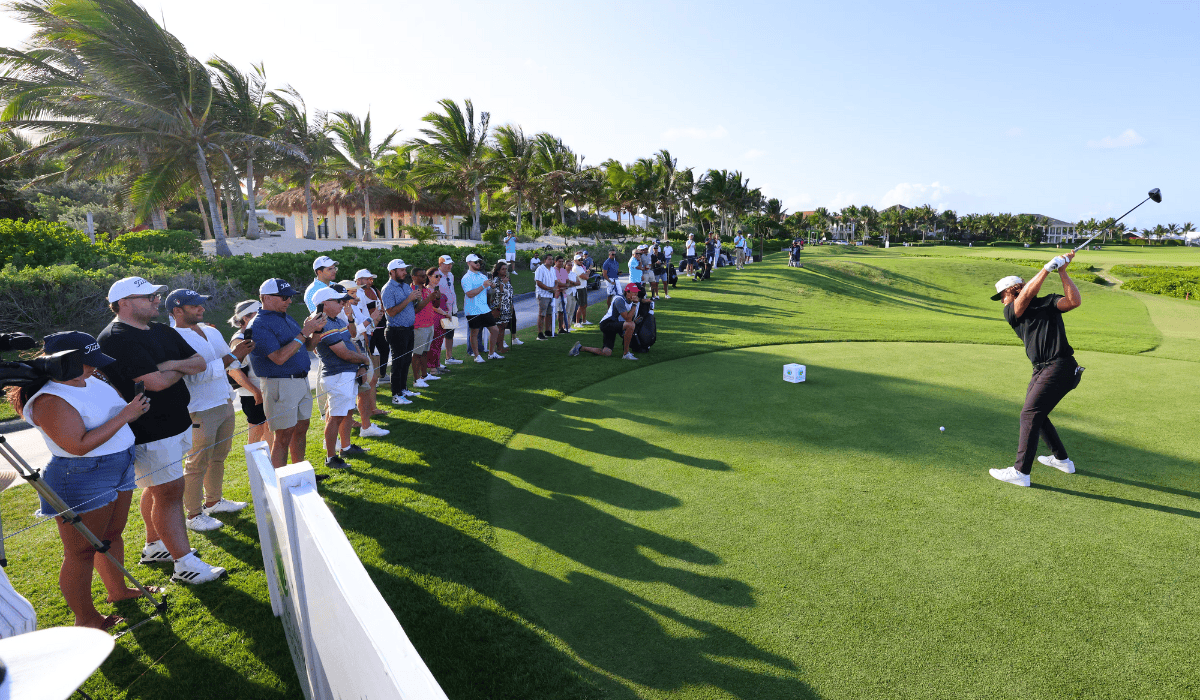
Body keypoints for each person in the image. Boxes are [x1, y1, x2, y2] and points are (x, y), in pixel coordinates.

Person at [10, 332, 153, 628]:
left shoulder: (91, 379)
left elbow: (108, 418)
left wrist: (131, 413)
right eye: (85, 362)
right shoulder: (50, 398)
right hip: (82, 474)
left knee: (112, 533)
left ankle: (118, 591)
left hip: (118, 464)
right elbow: (77, 445)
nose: (92, 368)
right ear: (61, 363)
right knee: (82, 550)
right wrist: (127, 415)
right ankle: (86, 619)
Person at [98, 277, 225, 585]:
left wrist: (168, 365)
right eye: (149, 296)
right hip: (151, 429)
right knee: (169, 493)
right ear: (125, 303)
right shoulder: (116, 337)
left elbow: (200, 363)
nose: (157, 300)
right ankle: (184, 564)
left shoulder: (160, 330)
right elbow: (152, 384)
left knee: (158, 489)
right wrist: (174, 368)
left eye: (157, 295)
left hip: (176, 422)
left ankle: (155, 545)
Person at [988, 252, 1084, 488]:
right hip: (1042, 370)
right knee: (1035, 414)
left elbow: (1074, 302)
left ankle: (1021, 472)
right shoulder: (1013, 312)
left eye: (1002, 295)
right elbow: (1027, 297)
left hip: (1059, 366)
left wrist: (1061, 270)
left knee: (1029, 415)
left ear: (1013, 290)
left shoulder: (1048, 302)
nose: (1002, 301)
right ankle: (1062, 460)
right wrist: (1047, 268)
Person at [166, 289, 252, 532]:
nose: (201, 308)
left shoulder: (211, 330)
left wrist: (242, 353)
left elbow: (230, 361)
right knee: (196, 462)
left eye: (201, 304)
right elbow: (193, 376)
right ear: (177, 310)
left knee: (219, 455)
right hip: (199, 407)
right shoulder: (172, 337)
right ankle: (194, 515)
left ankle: (213, 501)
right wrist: (233, 357)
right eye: (195, 306)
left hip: (224, 400)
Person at [247, 278, 325, 469]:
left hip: (299, 381)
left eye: (290, 297)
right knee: (282, 436)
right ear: (265, 298)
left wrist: (315, 332)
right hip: (280, 383)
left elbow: (306, 347)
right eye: (284, 297)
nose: (289, 301)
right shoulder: (258, 324)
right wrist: (304, 331)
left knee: (301, 429)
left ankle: (300, 473)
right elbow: (279, 357)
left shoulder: (285, 316)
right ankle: (282, 482)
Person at [312, 287, 371, 470]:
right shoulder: (322, 323)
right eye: (338, 301)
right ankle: (331, 458)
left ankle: (345, 447)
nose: (342, 304)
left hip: (347, 372)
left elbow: (351, 343)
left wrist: (361, 364)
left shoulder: (336, 320)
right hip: (337, 375)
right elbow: (343, 353)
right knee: (335, 417)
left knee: (346, 412)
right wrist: (364, 360)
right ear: (325, 304)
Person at [339, 280, 389, 438]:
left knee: (368, 383)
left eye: (355, 292)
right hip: (352, 349)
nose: (355, 295)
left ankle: (365, 425)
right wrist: (371, 320)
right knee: (361, 387)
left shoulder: (353, 307)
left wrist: (374, 320)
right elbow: (353, 332)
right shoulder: (341, 311)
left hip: (360, 346)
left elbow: (366, 326)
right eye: (351, 292)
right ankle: (363, 427)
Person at [227, 301, 271, 451]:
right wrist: (255, 391)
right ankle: (255, 471)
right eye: (258, 312)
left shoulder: (258, 333)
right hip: (252, 394)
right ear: (245, 317)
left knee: (269, 434)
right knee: (256, 438)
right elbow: (233, 370)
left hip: (265, 390)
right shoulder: (239, 339)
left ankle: (272, 470)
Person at [381, 259, 422, 405]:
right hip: (396, 331)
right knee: (397, 363)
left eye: (405, 270)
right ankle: (396, 395)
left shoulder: (405, 286)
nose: (405, 273)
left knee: (405, 362)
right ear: (392, 272)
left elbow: (414, 307)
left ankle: (403, 389)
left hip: (408, 329)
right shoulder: (387, 289)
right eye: (402, 270)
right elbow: (391, 312)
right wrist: (409, 299)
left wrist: (418, 298)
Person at [569, 283, 640, 360]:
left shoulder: (629, 299)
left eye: (636, 292)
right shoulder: (620, 300)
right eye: (634, 292)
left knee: (606, 353)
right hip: (607, 323)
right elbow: (628, 319)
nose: (636, 294)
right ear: (627, 292)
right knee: (631, 325)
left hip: (613, 323)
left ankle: (580, 348)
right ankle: (626, 354)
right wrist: (635, 305)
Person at [462, 253, 502, 361]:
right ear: (469, 263)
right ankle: (476, 356)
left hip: (484, 308)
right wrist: (483, 286)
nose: (478, 263)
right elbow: (469, 294)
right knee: (474, 332)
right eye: (475, 262)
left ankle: (491, 353)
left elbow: (490, 291)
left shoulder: (482, 276)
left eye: (479, 262)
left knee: (494, 330)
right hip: (473, 310)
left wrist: (492, 286)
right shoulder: (466, 278)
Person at [410, 267, 441, 388]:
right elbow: (416, 309)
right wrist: (429, 298)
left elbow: (435, 304)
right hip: (418, 326)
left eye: (424, 276)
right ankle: (416, 379)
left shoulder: (426, 289)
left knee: (424, 352)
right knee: (417, 353)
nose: (424, 278)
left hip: (429, 325)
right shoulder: (412, 290)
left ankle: (424, 375)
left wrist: (437, 297)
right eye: (421, 276)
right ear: (414, 277)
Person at [356, 268, 389, 382]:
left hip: (377, 325)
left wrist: (380, 313)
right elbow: (359, 315)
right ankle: (368, 379)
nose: (371, 281)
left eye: (371, 279)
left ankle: (381, 375)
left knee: (384, 349)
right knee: (367, 353)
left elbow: (380, 305)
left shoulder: (374, 290)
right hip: (366, 328)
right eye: (368, 279)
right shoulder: (357, 294)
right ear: (359, 280)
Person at [436, 255, 463, 365]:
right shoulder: (436, 275)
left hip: (452, 308)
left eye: (450, 263)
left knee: (450, 334)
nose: (450, 266)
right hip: (441, 310)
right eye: (447, 264)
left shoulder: (450, 275)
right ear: (440, 264)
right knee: (438, 336)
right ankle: (435, 362)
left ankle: (449, 357)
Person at [490, 261, 518, 350]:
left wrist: (511, 303)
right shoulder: (496, 280)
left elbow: (510, 292)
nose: (505, 271)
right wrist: (503, 284)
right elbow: (498, 294)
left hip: (507, 306)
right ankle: (499, 347)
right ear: (498, 270)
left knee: (504, 326)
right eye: (503, 269)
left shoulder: (507, 278)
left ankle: (501, 345)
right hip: (499, 307)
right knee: (499, 327)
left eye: (506, 269)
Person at [535, 254, 557, 340]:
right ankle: (540, 333)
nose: (551, 261)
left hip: (551, 294)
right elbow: (539, 282)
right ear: (545, 260)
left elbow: (555, 281)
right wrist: (550, 289)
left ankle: (548, 331)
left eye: (552, 259)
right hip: (543, 294)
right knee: (542, 314)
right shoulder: (540, 269)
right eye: (549, 259)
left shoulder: (552, 269)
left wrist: (555, 288)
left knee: (549, 314)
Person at [566, 254, 587, 330]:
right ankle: (576, 323)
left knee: (574, 309)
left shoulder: (576, 270)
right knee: (579, 306)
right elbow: (585, 277)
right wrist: (587, 272)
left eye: (582, 260)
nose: (581, 261)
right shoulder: (576, 268)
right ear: (575, 261)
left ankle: (570, 325)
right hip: (576, 290)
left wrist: (573, 283)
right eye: (579, 260)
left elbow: (578, 282)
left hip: (578, 289)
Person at [553, 255, 571, 335]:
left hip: (563, 293)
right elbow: (556, 283)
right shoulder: (553, 270)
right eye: (559, 261)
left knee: (561, 311)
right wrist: (564, 285)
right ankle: (551, 330)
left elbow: (567, 281)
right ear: (555, 262)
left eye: (562, 261)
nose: (561, 263)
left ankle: (560, 328)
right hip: (556, 294)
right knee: (553, 312)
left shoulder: (563, 271)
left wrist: (565, 285)